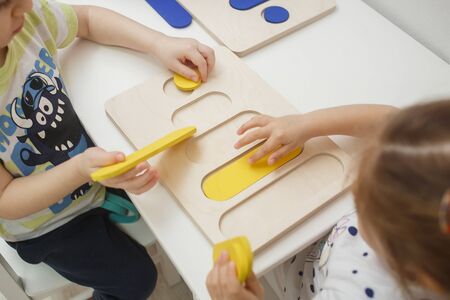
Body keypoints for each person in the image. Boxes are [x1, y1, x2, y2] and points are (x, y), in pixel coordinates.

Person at [0, 0, 215, 299]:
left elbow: (86, 19)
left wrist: (159, 43)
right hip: (46, 225)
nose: (24, 4)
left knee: (184, 195)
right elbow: (5, 198)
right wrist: (80, 170)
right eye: (4, 4)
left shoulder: (27, 19)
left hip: (90, 169)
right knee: (136, 279)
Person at [207, 101, 450, 299]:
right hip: (330, 243)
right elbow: (390, 121)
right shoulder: (427, 230)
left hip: (297, 277)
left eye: (365, 195)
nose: (354, 187)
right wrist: (306, 123)